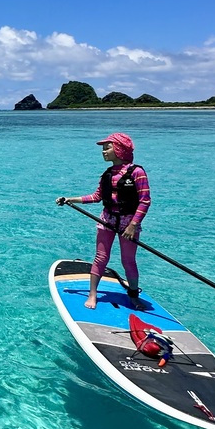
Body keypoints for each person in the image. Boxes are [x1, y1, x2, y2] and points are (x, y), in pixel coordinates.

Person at [56, 132, 151, 309]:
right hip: (107, 220)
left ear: (120, 149)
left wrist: (133, 225)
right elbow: (97, 196)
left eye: (107, 147)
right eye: (103, 148)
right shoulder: (107, 173)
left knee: (128, 261)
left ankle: (133, 295)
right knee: (101, 258)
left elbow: (145, 200)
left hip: (128, 223)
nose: (103, 152)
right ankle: (93, 294)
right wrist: (70, 199)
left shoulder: (137, 172)